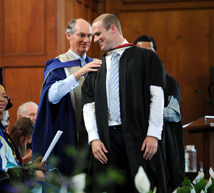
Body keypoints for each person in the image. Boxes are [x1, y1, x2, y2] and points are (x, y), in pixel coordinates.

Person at [83, 13, 168, 192]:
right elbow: (88, 105)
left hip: (139, 135)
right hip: (107, 139)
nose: (95, 39)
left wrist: (153, 133)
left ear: (113, 28)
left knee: (140, 187)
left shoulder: (145, 58)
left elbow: (157, 97)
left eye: (98, 34)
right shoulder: (97, 67)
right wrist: (94, 138)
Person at [32, 18, 101, 177]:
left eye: (89, 36)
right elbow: (51, 96)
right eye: (81, 35)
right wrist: (79, 73)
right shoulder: (57, 64)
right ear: (68, 35)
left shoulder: (96, 64)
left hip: (95, 138)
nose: (86, 40)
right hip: (69, 134)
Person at [134, 35, 185, 191]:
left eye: (149, 52)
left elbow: (174, 112)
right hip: (136, 143)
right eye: (141, 52)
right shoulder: (128, 81)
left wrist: (145, 113)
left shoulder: (168, 81)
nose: (145, 57)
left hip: (163, 144)